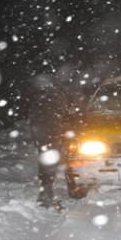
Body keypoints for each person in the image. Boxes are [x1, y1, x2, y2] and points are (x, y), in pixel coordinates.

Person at [27, 74, 72, 210]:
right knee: (50, 162)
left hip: (45, 135)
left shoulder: (40, 99)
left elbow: (34, 119)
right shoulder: (53, 98)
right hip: (50, 135)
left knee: (48, 162)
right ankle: (46, 195)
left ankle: (46, 192)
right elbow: (60, 117)